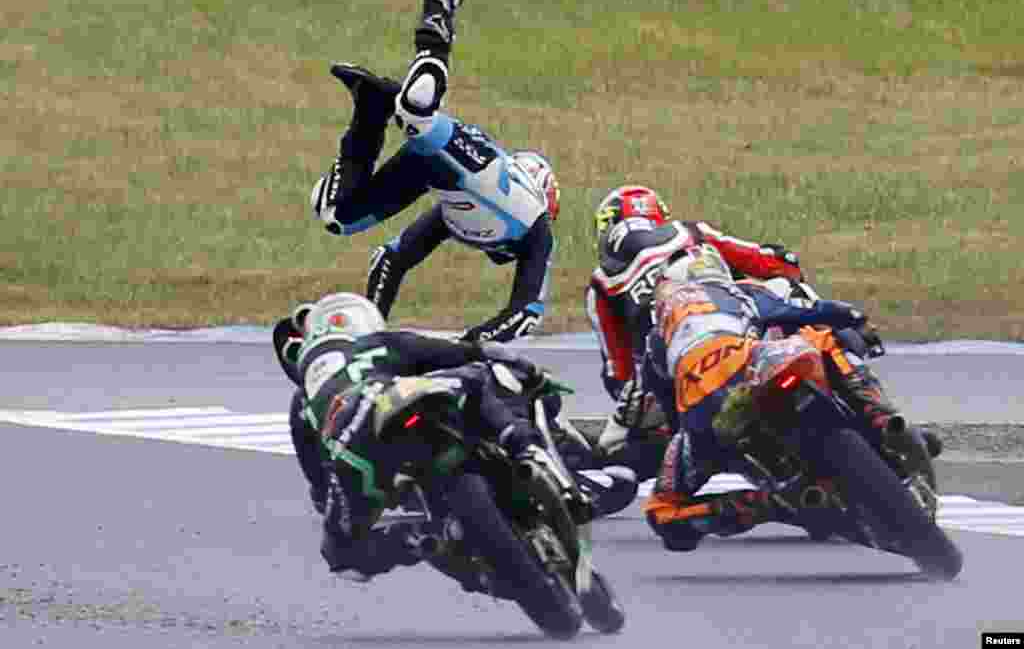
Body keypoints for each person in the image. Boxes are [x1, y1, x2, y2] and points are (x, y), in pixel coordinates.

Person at [309, 0, 560, 343]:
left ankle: (371, 110)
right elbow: (525, 314)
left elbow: (389, 260)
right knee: (416, 111)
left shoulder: (452, 217)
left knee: (337, 214)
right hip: (479, 171)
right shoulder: (535, 225)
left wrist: (369, 339)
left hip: (436, 172)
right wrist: (469, 347)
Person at [640, 244, 934, 551]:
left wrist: (690, 441)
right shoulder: (740, 293)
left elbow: (664, 403)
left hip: (706, 415)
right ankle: (881, 416)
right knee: (822, 339)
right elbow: (809, 312)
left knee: (664, 514)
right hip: (755, 369)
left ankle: (769, 503)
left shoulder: (655, 340)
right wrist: (856, 319)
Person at [273, 291, 559, 582]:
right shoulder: (376, 344)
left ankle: (417, 541)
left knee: (342, 555)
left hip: (356, 451)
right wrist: (525, 370)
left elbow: (319, 483)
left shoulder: (303, 403)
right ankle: (526, 448)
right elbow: (466, 353)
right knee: (477, 377)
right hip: (402, 408)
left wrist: (338, 498)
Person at [582, 185, 804, 478]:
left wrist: (644, 405)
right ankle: (854, 385)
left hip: (679, 371)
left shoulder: (601, 284)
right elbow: (766, 261)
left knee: (613, 448)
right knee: (791, 291)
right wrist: (787, 266)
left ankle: (684, 452)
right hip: (740, 333)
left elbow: (618, 372)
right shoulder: (689, 231)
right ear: (659, 215)